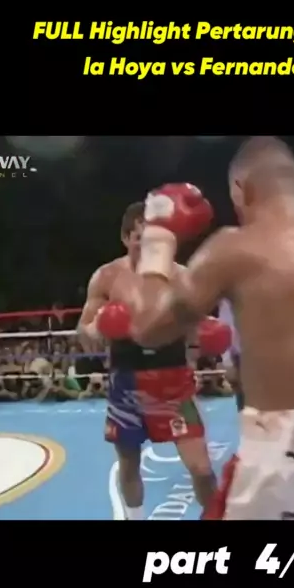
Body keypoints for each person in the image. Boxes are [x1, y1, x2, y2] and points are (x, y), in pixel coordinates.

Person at [101, 138, 294, 520]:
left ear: (240, 189)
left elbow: (147, 327)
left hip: (285, 455)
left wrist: (158, 237)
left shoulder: (233, 248)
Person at [77, 201, 219, 520]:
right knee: (129, 463)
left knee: (201, 468)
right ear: (126, 238)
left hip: (174, 380)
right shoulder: (107, 277)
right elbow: (84, 331)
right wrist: (98, 327)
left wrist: (201, 349)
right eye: (140, 238)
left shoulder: (181, 277)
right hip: (126, 381)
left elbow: (196, 328)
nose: (147, 247)